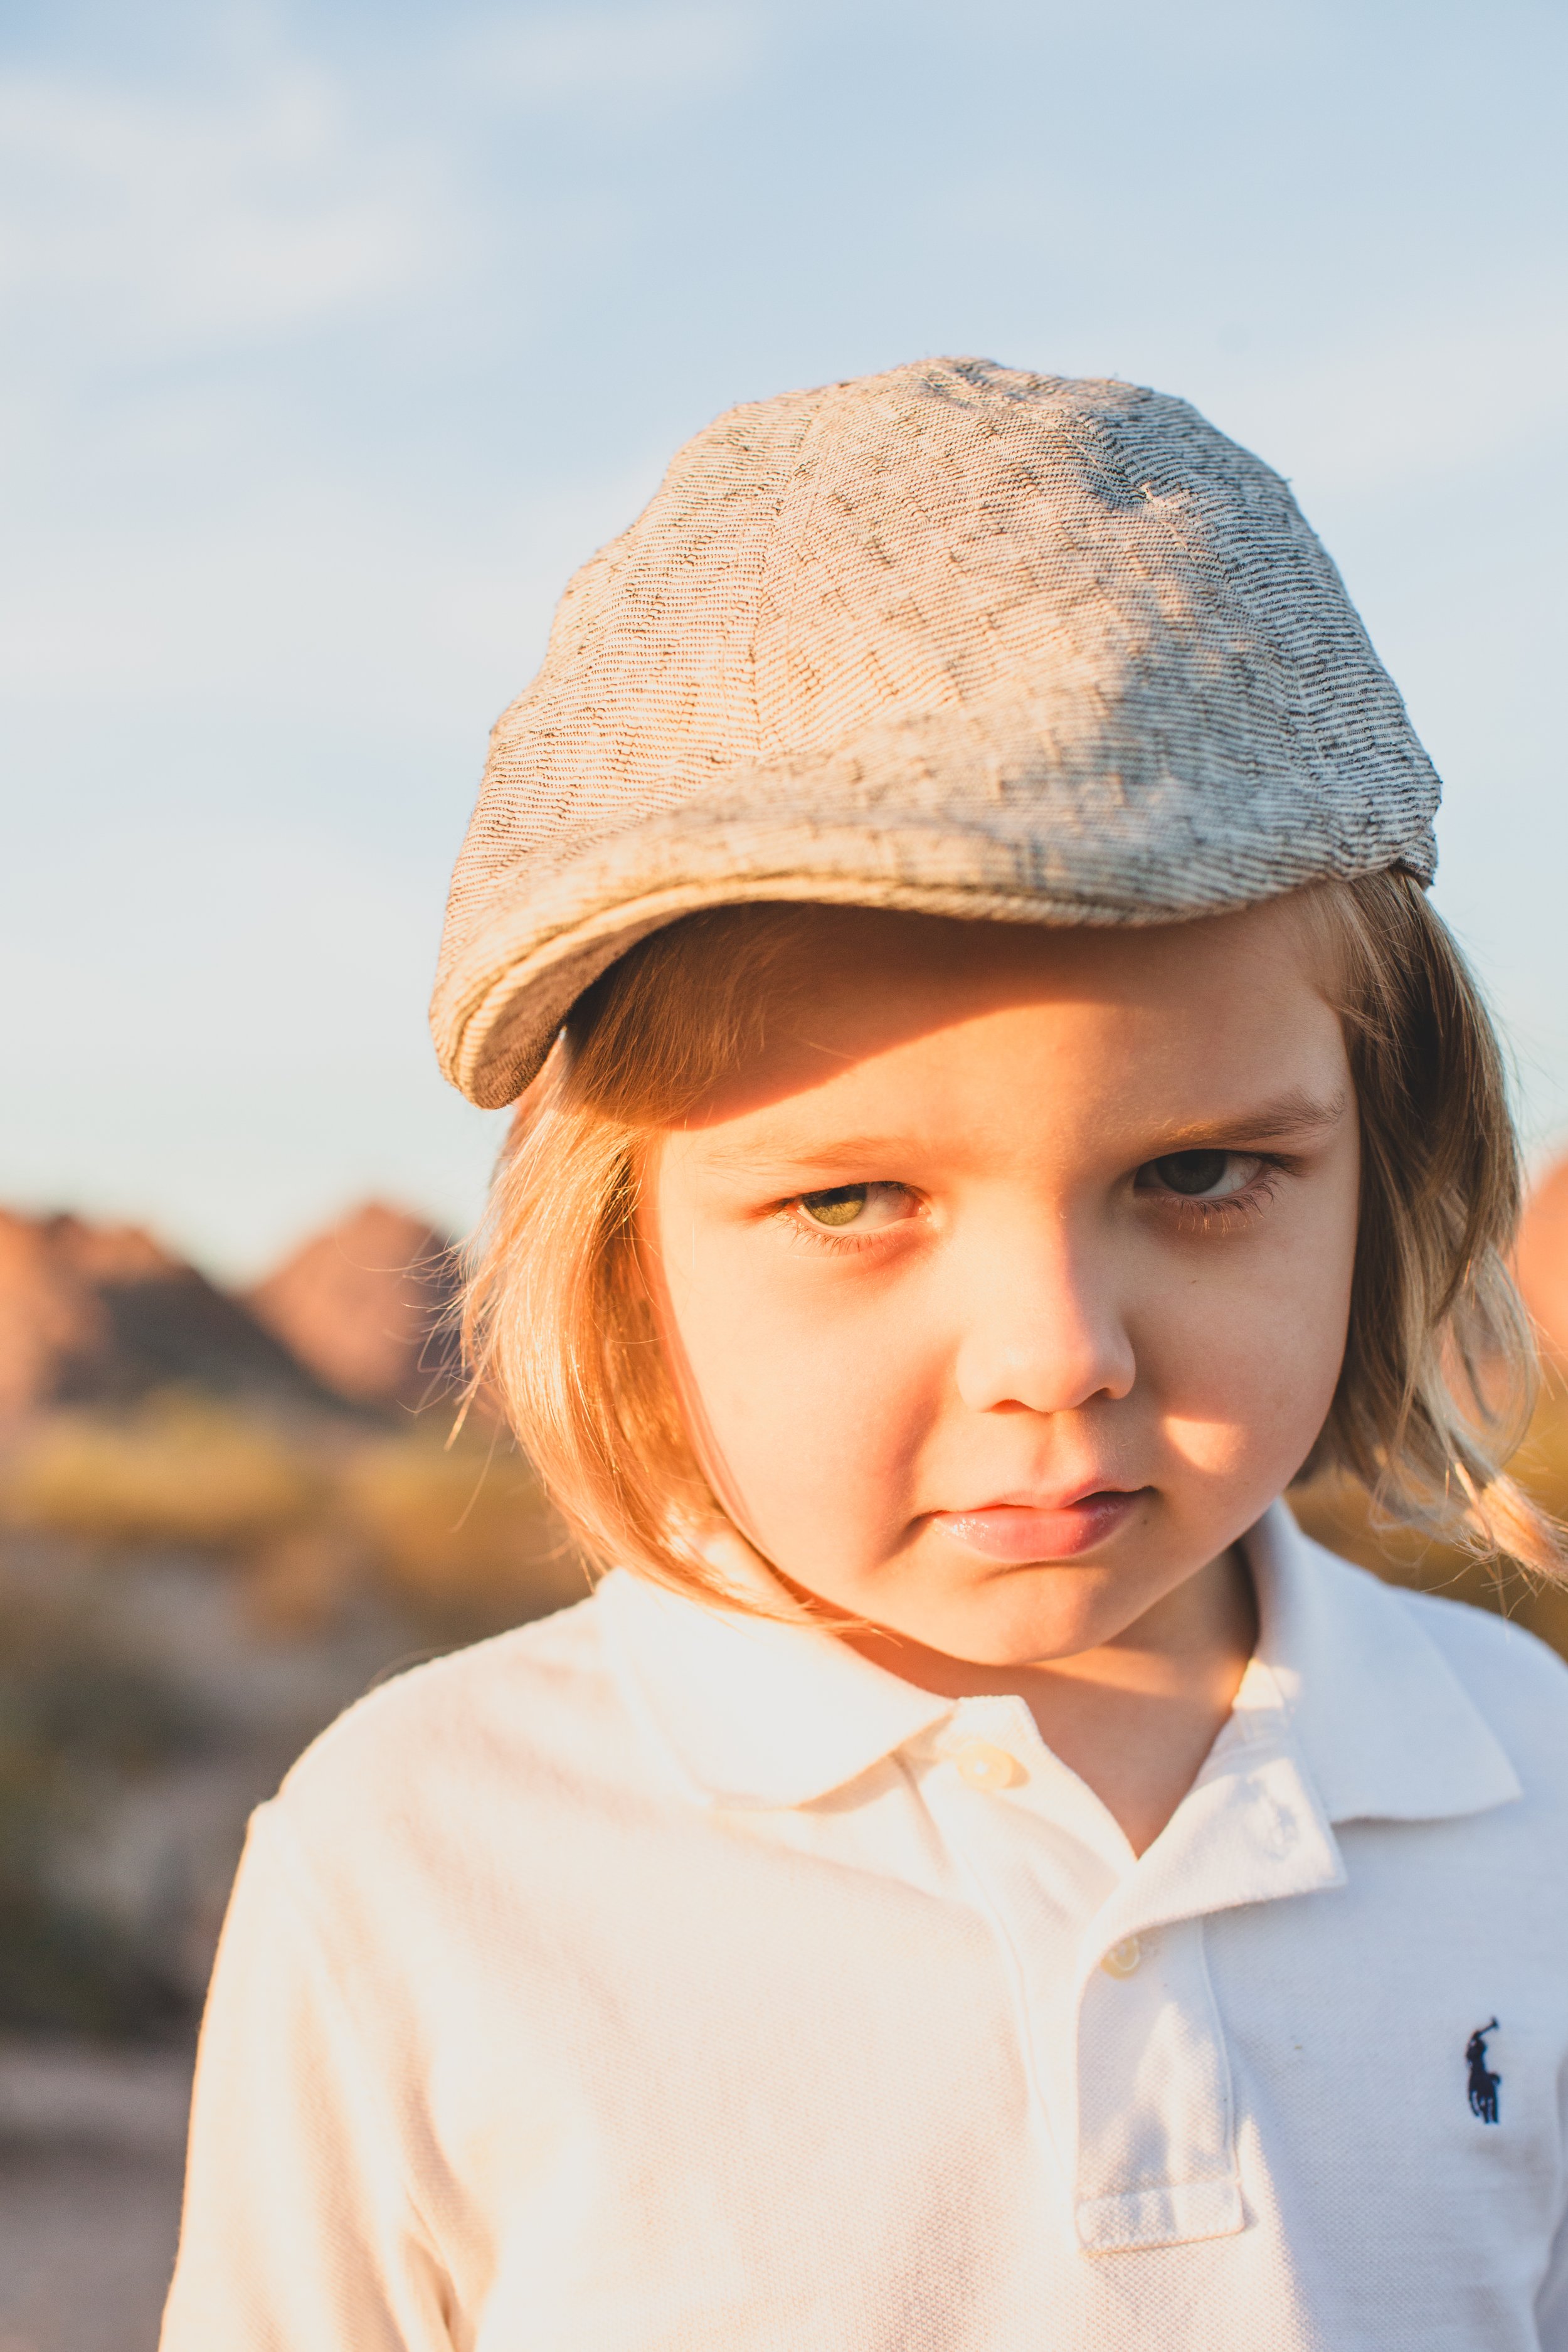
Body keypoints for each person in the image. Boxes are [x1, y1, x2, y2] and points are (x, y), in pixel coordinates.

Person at [160, 360, 1568, 2350]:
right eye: (851, 1202)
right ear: (628, 1257)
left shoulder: (1528, 1787)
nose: (1056, 1356)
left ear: (1385, 1162)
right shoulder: (424, 1859)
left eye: (1197, 1173)